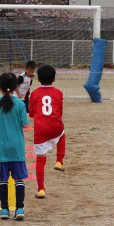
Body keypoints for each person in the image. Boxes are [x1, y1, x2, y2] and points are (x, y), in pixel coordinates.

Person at [0, 72, 29, 220]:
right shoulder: (20, 104)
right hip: (17, 148)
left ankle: (4, 209)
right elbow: (25, 123)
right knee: (19, 179)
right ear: (16, 86)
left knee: (3, 179)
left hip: (2, 148)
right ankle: (20, 208)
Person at [29, 64, 66, 199]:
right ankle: (59, 161)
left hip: (40, 129)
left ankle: (41, 189)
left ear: (38, 79)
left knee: (40, 159)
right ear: (54, 79)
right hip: (55, 126)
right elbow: (60, 112)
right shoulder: (58, 93)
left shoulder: (34, 93)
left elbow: (31, 113)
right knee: (62, 135)